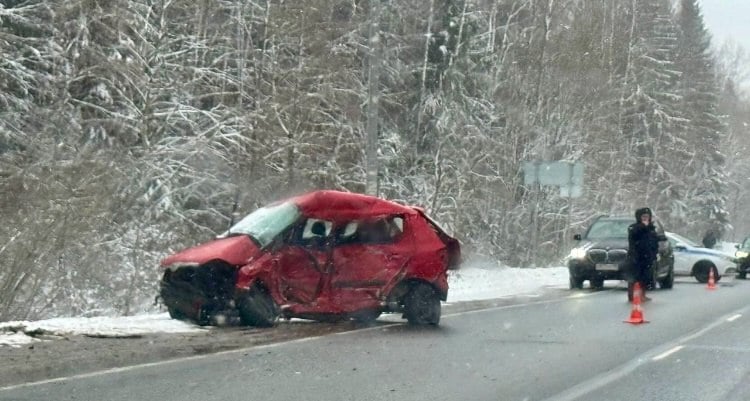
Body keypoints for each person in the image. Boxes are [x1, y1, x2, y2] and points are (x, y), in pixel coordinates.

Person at [627, 207, 659, 302]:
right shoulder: (634, 227)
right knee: (634, 277)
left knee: (646, 278)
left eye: (647, 216)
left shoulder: (651, 228)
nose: (645, 218)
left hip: (648, 257)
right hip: (636, 257)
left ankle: (643, 295)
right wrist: (643, 226)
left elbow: (654, 241)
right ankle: (632, 295)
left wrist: (654, 252)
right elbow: (634, 235)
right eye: (643, 216)